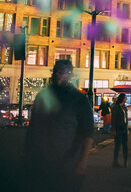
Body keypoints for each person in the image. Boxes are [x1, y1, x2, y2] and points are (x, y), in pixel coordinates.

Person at [24, 59, 94, 192]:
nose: (56, 74)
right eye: (55, 71)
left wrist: (83, 162)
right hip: (42, 161)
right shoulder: (42, 96)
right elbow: (33, 128)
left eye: (61, 71)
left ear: (70, 74)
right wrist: (28, 154)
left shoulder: (79, 99)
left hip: (68, 163)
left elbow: (88, 132)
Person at [111, 93, 128, 168]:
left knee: (125, 145)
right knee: (117, 145)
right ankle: (115, 162)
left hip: (124, 128)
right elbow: (113, 119)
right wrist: (113, 129)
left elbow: (125, 119)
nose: (126, 99)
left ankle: (125, 161)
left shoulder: (124, 107)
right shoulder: (116, 107)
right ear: (122, 98)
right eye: (125, 98)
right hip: (118, 128)